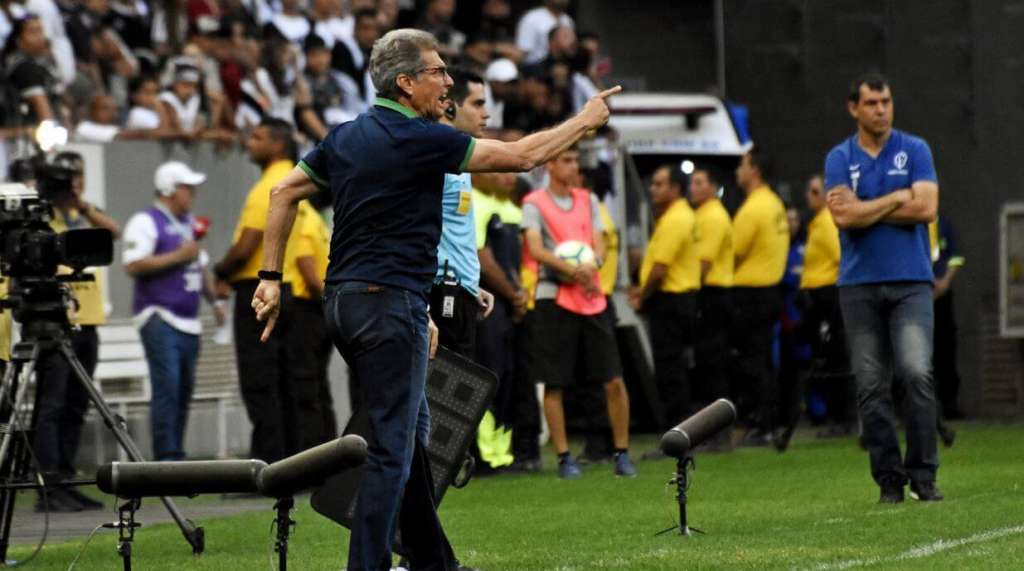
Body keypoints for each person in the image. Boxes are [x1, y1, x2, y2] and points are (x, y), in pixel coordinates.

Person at [251, 28, 619, 571]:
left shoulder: (347, 136)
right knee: (392, 450)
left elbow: (284, 194)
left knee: (413, 432)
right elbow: (520, 158)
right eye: (438, 71)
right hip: (385, 304)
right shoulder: (421, 139)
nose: (447, 79)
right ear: (405, 83)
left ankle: (431, 561)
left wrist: (269, 278)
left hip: (346, 303)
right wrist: (585, 121)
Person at [824, 72, 942, 503]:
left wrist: (865, 208)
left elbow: (927, 207)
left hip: (911, 281)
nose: (881, 110)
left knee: (916, 373)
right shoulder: (839, 157)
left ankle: (924, 474)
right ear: (854, 108)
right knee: (871, 384)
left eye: (886, 102)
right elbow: (843, 218)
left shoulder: (915, 149)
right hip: (858, 285)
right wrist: (896, 198)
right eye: (872, 103)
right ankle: (889, 480)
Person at [524, 147, 635, 480]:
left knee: (613, 378)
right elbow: (536, 248)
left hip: (591, 296)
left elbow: (600, 242)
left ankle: (622, 453)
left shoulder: (588, 200)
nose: (574, 167)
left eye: (575, 160)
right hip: (553, 297)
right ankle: (563, 457)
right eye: (567, 161)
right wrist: (573, 270)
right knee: (555, 382)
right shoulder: (534, 203)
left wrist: (593, 266)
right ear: (550, 164)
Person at [213, 118, 307, 464]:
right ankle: (291, 461)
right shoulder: (299, 182)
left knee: (259, 379)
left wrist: (220, 270)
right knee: (286, 381)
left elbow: (247, 244)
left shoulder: (268, 187)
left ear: (278, 145)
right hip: (290, 290)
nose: (249, 142)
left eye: (258, 137)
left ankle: (265, 463)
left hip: (259, 291)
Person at [32, 151, 120, 513]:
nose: (75, 184)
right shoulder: (39, 216)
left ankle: (66, 478)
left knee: (75, 404)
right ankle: (48, 483)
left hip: (89, 320)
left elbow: (112, 232)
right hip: (55, 319)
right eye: (69, 179)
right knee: (51, 404)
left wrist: (80, 204)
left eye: (77, 177)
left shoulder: (79, 214)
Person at [122, 161, 225, 461]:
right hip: (159, 314)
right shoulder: (145, 222)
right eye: (186, 187)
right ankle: (165, 454)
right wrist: (178, 255)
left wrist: (215, 301)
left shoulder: (188, 223)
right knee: (167, 384)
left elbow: (199, 265)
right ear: (169, 188)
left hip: (188, 320)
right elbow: (133, 264)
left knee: (183, 388)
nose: (191, 193)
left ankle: (176, 452)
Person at [628, 164, 700, 431]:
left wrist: (642, 297)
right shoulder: (678, 215)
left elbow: (659, 269)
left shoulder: (676, 218)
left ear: (675, 188)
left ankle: (677, 431)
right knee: (675, 368)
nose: (652, 189)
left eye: (659, 184)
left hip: (671, 301)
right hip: (679, 299)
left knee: (670, 370)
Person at [730, 147, 789, 446]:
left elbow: (732, 252)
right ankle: (769, 421)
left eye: (742, 165)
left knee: (752, 362)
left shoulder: (753, 208)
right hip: (770, 291)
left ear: (755, 170)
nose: (738, 171)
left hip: (751, 294)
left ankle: (761, 424)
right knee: (765, 360)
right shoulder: (774, 204)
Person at [800, 175, 856, 440]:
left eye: (815, 191)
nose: (809, 196)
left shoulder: (826, 223)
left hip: (829, 294)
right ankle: (837, 416)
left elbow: (840, 256)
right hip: (819, 296)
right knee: (829, 355)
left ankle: (842, 418)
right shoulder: (817, 223)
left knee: (835, 356)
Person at [688, 167, 733, 449]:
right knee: (708, 363)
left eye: (698, 182)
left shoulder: (714, 216)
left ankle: (718, 432)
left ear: (712, 186)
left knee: (714, 363)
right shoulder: (703, 214)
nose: (692, 187)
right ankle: (714, 432)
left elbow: (704, 262)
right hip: (711, 293)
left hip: (714, 294)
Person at [929, 214, 965, 425]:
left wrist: (944, 282)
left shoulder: (943, 224)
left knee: (946, 346)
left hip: (942, 293)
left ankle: (949, 404)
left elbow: (956, 257)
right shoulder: (913, 225)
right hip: (917, 295)